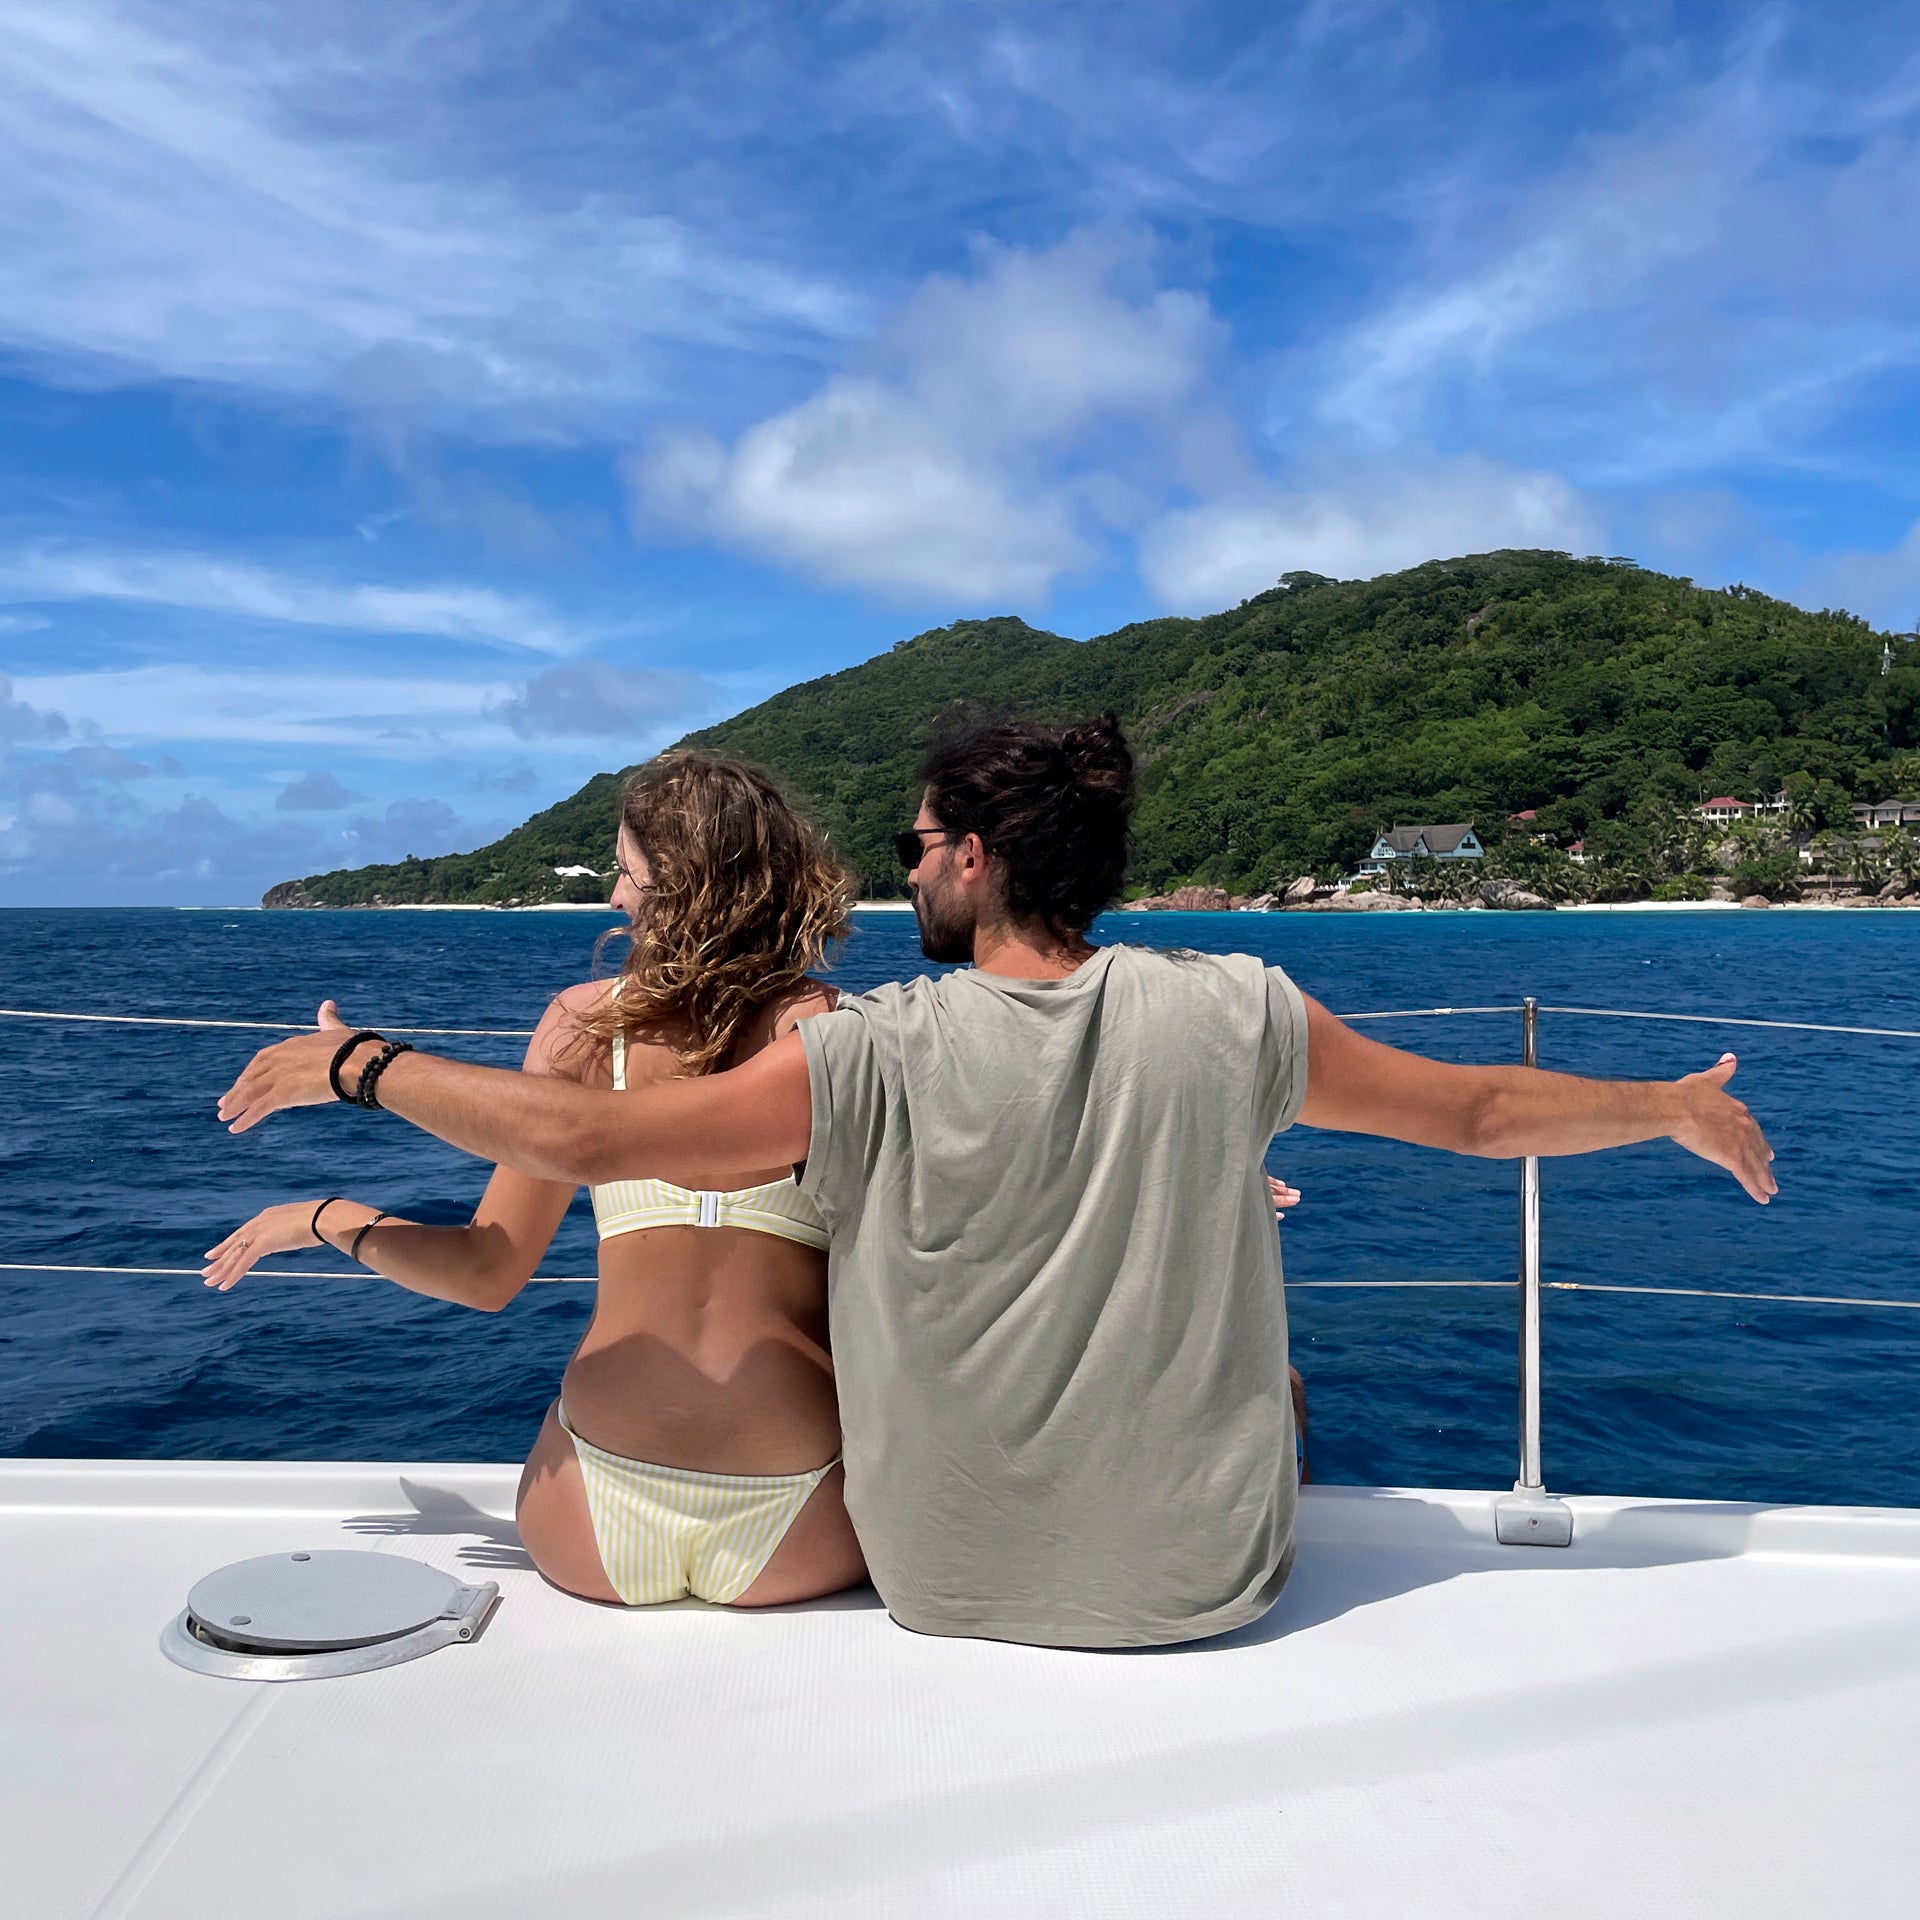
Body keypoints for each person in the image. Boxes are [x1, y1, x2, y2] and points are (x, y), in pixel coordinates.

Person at [219, 713, 1776, 1649]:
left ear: (970, 859)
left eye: (914, 845)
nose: (900, 872)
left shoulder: (871, 1048)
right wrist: (1664, 1108)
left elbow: (603, 1149)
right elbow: (1482, 1112)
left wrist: (361, 1077)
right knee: (1282, 1385)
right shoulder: (1239, 1006)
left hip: (922, 1574)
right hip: (1185, 1584)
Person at [203, 752, 867, 1611]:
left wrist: (330, 1219)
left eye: (628, 874)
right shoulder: (841, 1037)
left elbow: (487, 1273)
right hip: (804, 1512)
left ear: (683, 886)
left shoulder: (584, 1028)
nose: (617, 900)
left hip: (593, 1509)